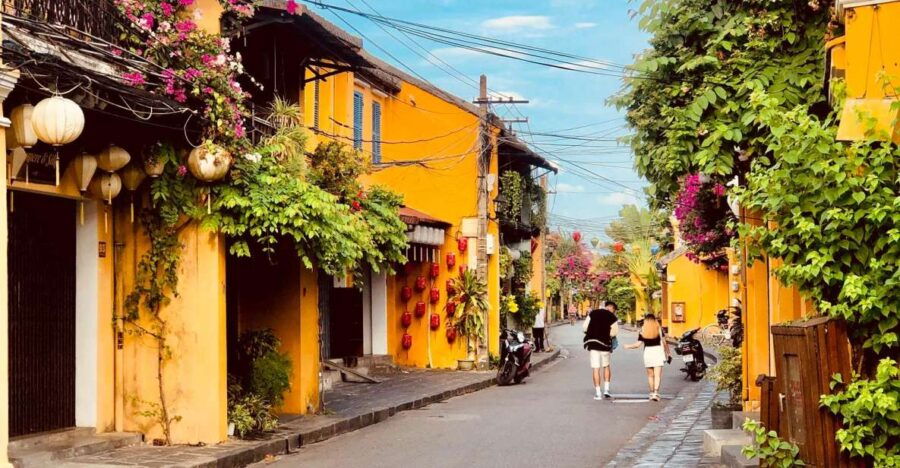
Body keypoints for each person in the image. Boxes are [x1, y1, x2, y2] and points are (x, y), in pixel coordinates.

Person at [625, 313, 671, 401]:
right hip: (658, 352)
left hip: (648, 352)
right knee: (657, 375)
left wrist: (628, 346)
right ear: (655, 320)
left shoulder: (643, 330)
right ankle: (656, 393)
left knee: (650, 375)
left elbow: (638, 344)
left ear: (645, 321)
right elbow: (665, 343)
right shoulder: (659, 329)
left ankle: (651, 393)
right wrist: (668, 353)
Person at [583, 301, 619, 400]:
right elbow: (614, 332)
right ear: (612, 308)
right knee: (606, 366)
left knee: (595, 368)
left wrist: (592, 332)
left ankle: (598, 393)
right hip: (605, 344)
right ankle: (606, 390)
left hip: (593, 343)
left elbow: (584, 327)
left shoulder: (593, 313)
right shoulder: (612, 317)